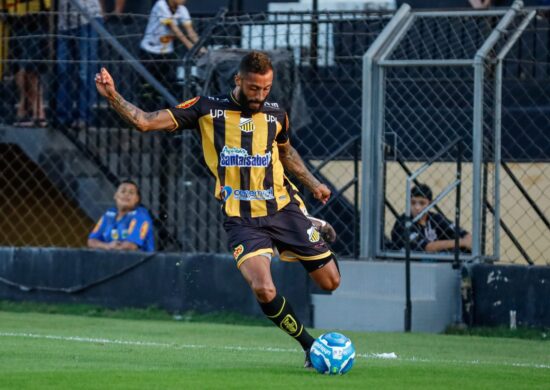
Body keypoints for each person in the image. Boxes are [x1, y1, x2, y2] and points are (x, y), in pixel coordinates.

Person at [95, 51, 341, 368]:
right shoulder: (206, 109)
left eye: (266, 89)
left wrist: (313, 183)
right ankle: (309, 346)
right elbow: (144, 121)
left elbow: (286, 150)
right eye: (254, 88)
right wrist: (113, 96)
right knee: (264, 289)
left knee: (330, 283)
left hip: (283, 210)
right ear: (238, 80)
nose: (260, 95)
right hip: (242, 219)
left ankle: (307, 223)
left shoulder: (276, 114)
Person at [139, 0, 203, 98]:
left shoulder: (182, 10)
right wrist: (191, 47)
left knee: (165, 87)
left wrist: (201, 48)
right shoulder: (161, 5)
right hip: (149, 51)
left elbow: (190, 32)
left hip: (166, 54)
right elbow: (174, 29)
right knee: (147, 88)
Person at [56, 0, 103, 129]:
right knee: (63, 70)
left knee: (85, 72)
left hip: (87, 19)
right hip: (64, 21)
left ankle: (84, 116)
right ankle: (63, 116)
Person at [391, 183, 472, 253]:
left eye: (422, 203)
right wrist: (461, 242)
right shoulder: (403, 222)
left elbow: (464, 234)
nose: (417, 207)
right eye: (413, 203)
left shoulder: (435, 218)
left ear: (430, 204)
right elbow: (427, 248)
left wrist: (467, 240)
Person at [9, 0, 50, 127]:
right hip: (14, 18)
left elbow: (47, 6)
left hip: (35, 19)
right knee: (17, 69)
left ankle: (37, 112)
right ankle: (26, 109)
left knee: (31, 69)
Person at [88, 180, 155, 252]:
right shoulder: (108, 215)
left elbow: (131, 246)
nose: (126, 194)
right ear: (115, 196)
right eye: (123, 191)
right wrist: (107, 246)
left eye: (131, 193)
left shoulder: (141, 216)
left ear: (137, 199)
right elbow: (91, 241)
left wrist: (109, 247)